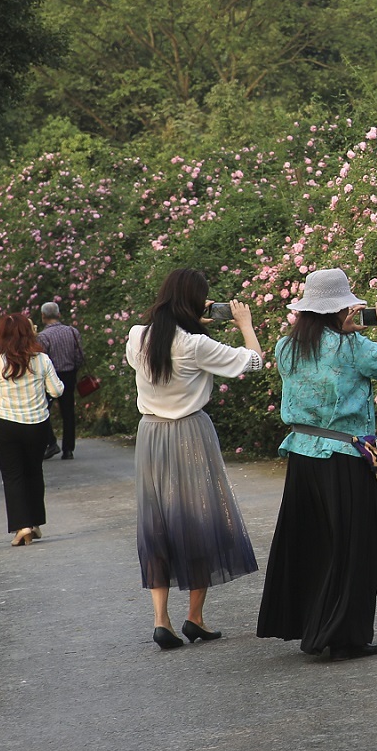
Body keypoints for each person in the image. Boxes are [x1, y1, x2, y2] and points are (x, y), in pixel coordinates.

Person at [257, 267, 377, 661]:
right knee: (352, 546)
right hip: (344, 459)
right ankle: (344, 635)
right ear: (338, 310)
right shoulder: (354, 347)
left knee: (314, 544)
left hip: (302, 457)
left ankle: (312, 625)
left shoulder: (285, 348)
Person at [126, 268, 264, 650]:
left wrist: (191, 324)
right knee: (198, 519)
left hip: (150, 434)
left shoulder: (137, 336)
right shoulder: (195, 345)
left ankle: (160, 619)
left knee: (157, 523)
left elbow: (159, 357)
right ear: (194, 302)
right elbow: (253, 361)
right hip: (189, 433)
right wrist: (243, 323)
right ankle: (195, 617)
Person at [0, 313, 63, 546]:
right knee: (34, 471)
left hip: (5, 425)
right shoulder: (42, 360)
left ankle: (22, 525)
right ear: (29, 332)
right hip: (37, 425)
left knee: (13, 475)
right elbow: (56, 391)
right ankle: (35, 522)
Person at [37, 301, 84, 460]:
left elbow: (41, 360)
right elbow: (79, 356)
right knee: (68, 413)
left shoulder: (43, 337)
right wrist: (74, 370)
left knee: (43, 411)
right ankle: (68, 449)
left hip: (50, 376)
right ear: (59, 314)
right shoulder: (72, 332)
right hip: (69, 374)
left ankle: (51, 443)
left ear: (43, 317)